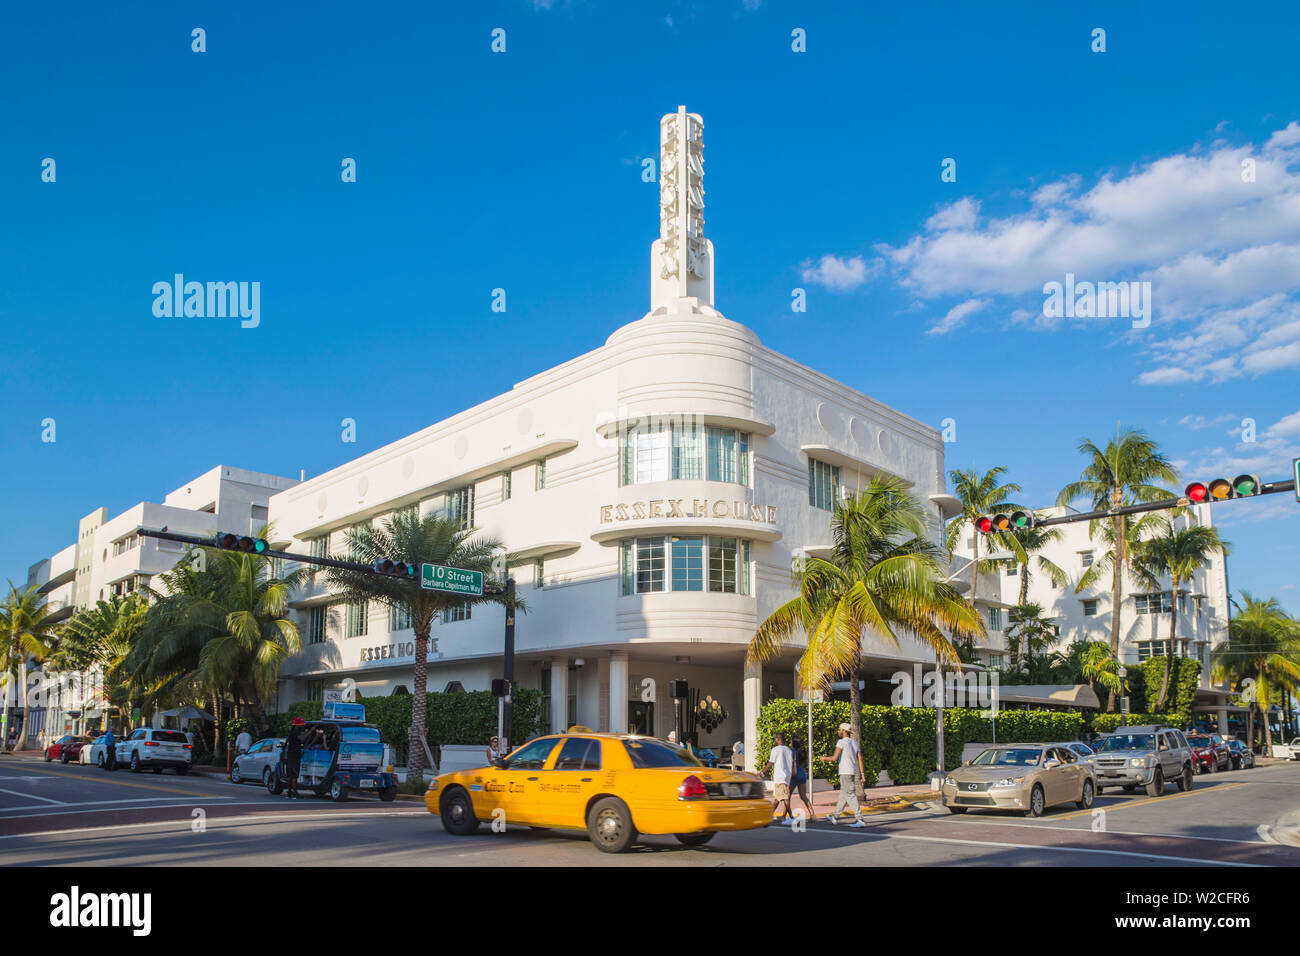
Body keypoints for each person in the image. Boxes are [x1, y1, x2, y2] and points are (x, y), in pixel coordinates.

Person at [826, 722, 866, 827]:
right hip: (852, 772)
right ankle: (835, 816)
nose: (838, 731)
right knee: (844, 794)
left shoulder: (841, 742)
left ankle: (860, 819)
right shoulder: (854, 743)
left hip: (845, 772)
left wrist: (824, 758)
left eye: (839, 729)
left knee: (850, 795)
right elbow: (860, 759)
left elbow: (834, 758)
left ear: (844, 731)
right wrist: (862, 774)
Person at [764, 733, 795, 824]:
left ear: (778, 739)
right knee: (778, 798)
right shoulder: (789, 750)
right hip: (787, 777)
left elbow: (770, 763)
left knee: (785, 798)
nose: (774, 741)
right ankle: (768, 816)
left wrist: (762, 773)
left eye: (775, 739)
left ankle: (792, 817)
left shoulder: (775, 749)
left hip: (780, 777)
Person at [789, 736, 814, 819]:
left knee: (787, 796)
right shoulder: (803, 751)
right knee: (803, 796)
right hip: (802, 773)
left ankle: (788, 815)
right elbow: (805, 764)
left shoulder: (792, 751)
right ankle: (812, 814)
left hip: (794, 775)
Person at [283, 718, 305, 799]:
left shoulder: (292, 732)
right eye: (302, 725)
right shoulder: (296, 733)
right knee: (294, 775)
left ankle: (289, 791)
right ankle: (294, 792)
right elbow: (302, 739)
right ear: (298, 725)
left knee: (290, 775)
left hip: (290, 756)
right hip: (294, 756)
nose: (303, 726)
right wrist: (310, 731)